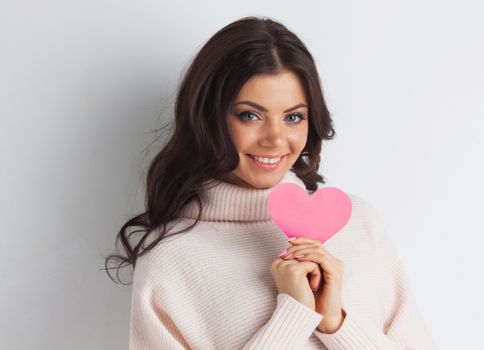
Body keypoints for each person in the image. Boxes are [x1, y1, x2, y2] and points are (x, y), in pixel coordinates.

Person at [104, 16, 437, 350]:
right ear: (208, 118)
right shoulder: (171, 257)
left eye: (293, 117)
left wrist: (336, 323)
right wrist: (292, 316)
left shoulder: (361, 224)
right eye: (250, 115)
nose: (275, 139)